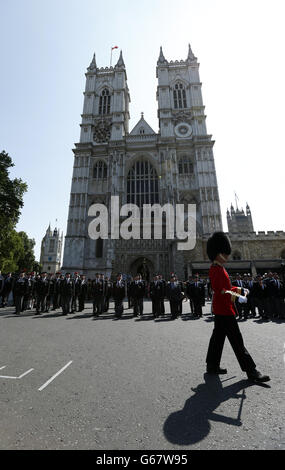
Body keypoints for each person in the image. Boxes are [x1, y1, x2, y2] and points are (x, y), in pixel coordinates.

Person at [205, 231, 270, 383]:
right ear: (218, 253)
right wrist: (237, 296)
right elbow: (221, 291)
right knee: (237, 341)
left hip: (222, 310)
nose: (227, 256)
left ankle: (212, 365)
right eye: (225, 253)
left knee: (217, 339)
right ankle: (251, 370)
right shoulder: (216, 269)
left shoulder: (219, 268)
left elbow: (227, 287)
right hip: (225, 310)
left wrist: (241, 290)